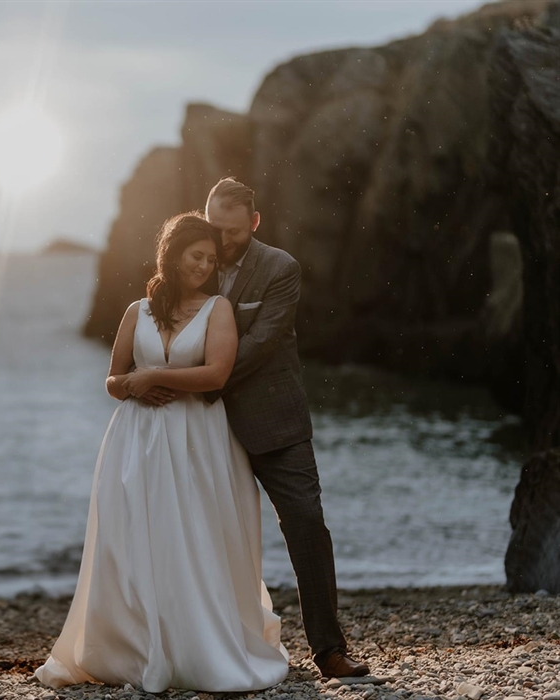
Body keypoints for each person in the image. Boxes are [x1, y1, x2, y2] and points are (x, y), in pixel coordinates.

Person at [34, 213, 289, 693]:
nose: (204, 266)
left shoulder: (218, 309)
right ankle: (133, 645)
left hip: (197, 442)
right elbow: (113, 381)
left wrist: (153, 377)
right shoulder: (137, 311)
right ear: (172, 256)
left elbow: (216, 374)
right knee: (134, 537)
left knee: (192, 535)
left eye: (211, 260)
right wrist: (134, 386)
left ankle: (196, 645)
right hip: (136, 440)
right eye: (196, 256)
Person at [195, 177, 370, 679]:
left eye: (231, 231)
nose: (221, 241)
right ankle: (207, 645)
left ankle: (329, 650)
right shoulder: (194, 262)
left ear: (253, 223)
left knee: (307, 526)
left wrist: (201, 383)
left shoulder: (280, 268)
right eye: (213, 227)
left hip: (275, 420)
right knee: (198, 533)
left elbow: (264, 341)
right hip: (204, 427)